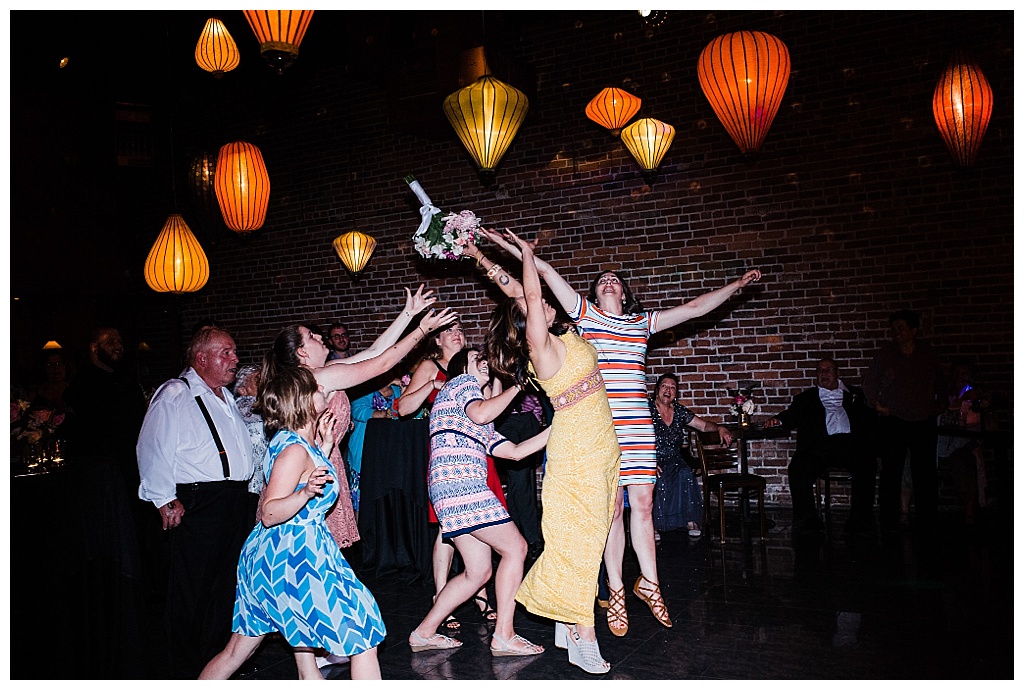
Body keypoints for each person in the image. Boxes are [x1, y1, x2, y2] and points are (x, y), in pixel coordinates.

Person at [469, 228, 761, 636]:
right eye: (601, 278)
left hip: (638, 425)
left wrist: (736, 285)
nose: (608, 280)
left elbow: (695, 308)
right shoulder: (582, 314)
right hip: (599, 426)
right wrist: (509, 250)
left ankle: (651, 582)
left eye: (615, 279)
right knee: (611, 510)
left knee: (642, 504)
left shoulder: (642, 323)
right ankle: (617, 588)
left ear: (624, 294)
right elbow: (542, 276)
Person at [487, 231, 620, 674]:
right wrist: (526, 254)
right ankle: (584, 637)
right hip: (576, 454)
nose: (540, 301)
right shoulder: (539, 350)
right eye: (533, 305)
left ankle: (566, 619)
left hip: (600, 447)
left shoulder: (563, 335)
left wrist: (476, 253)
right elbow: (525, 291)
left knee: (590, 538)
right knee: (579, 545)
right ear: (528, 325)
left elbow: (514, 289)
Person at [199, 365, 386, 680]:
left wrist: (324, 448)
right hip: (291, 557)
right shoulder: (294, 450)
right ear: (302, 400)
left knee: (238, 651)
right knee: (362, 631)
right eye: (317, 388)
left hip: (289, 553)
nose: (323, 390)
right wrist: (306, 492)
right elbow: (270, 512)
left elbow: (303, 475)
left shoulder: (299, 442)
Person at [267, 285, 456, 553]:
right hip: (309, 467)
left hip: (324, 459)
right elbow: (382, 365)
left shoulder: (326, 370)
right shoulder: (318, 378)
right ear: (301, 353)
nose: (321, 336)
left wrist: (408, 313)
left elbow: (376, 352)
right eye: (311, 336)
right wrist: (422, 330)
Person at [409, 347, 549, 657]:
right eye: (478, 359)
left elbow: (513, 451)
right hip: (462, 485)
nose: (484, 363)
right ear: (463, 367)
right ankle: (504, 635)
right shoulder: (460, 384)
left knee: (478, 572)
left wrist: (559, 427)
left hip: (450, 490)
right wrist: (518, 385)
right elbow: (483, 412)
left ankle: (423, 633)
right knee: (516, 548)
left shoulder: (473, 414)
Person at [136, 325, 255, 678]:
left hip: (233, 500)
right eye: (227, 353)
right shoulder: (176, 392)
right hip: (200, 501)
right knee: (192, 588)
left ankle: (217, 661)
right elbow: (152, 446)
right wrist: (163, 498)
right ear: (201, 358)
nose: (235, 359)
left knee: (226, 584)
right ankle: (186, 668)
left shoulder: (225, 395)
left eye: (235, 353)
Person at [394, 322, 499, 629]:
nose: (457, 332)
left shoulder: (476, 364)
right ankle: (442, 595)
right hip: (449, 453)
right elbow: (404, 408)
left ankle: (479, 590)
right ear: (437, 339)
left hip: (479, 449)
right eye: (448, 329)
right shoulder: (430, 365)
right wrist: (436, 385)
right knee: (448, 526)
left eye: (459, 328)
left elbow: (490, 407)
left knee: (485, 521)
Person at [763, 358, 878, 535]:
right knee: (798, 467)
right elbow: (790, 415)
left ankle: (860, 519)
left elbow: (870, 419)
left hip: (850, 444)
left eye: (828, 370)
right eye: (820, 371)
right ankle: (808, 519)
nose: (823, 374)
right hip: (820, 446)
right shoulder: (806, 398)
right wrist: (778, 419)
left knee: (867, 464)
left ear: (836, 372)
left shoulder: (856, 394)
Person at [863, 310, 945, 531]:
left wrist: (935, 408)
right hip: (894, 420)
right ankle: (889, 519)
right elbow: (869, 383)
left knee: (925, 472)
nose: (896, 333)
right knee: (891, 471)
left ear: (913, 330)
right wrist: (876, 404)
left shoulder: (927, 355)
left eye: (901, 328)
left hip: (922, 420)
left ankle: (928, 519)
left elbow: (942, 384)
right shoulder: (885, 355)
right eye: (894, 329)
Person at [650, 373, 732, 539]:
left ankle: (690, 521)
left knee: (685, 473)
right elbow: (635, 435)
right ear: (657, 388)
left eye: (673, 387)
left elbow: (702, 426)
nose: (668, 390)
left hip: (674, 458)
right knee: (659, 478)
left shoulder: (679, 411)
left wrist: (719, 428)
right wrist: (646, 460)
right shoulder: (647, 408)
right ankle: (653, 525)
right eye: (665, 386)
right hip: (652, 458)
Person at [936, 358, 987, 526]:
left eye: (964, 374)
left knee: (963, 460)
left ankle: (970, 511)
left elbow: (975, 420)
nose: (960, 377)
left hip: (962, 440)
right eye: (957, 373)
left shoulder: (973, 394)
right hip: (941, 440)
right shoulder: (945, 394)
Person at [347, 372, 406, 514]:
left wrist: (405, 390)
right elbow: (358, 411)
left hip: (389, 453)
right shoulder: (365, 390)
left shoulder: (397, 391)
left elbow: (407, 411)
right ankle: (359, 534)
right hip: (364, 453)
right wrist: (383, 414)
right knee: (360, 501)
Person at [233, 364, 268, 524]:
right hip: (252, 484)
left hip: (262, 481)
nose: (263, 381)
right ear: (242, 389)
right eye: (257, 379)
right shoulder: (243, 404)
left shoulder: (263, 404)